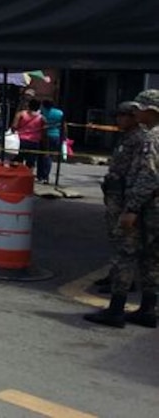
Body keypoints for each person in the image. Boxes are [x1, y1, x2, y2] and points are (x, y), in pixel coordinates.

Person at [84, 90, 159, 329]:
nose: (136, 113)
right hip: (151, 205)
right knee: (151, 257)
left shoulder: (151, 138)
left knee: (125, 252)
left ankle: (116, 309)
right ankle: (148, 309)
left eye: (139, 108)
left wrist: (132, 208)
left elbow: (149, 175)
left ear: (151, 110)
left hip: (144, 205)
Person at [92, 102, 145, 294]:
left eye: (123, 115)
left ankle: (124, 279)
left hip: (124, 195)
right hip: (114, 193)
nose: (119, 119)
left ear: (133, 117)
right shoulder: (126, 137)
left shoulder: (139, 139)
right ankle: (115, 274)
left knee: (124, 239)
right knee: (114, 236)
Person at [11, 99, 44, 174]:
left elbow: (14, 126)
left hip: (20, 141)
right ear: (38, 107)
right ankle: (28, 178)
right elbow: (44, 133)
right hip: (34, 142)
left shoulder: (21, 114)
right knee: (30, 163)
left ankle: (16, 176)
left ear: (29, 105)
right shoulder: (42, 118)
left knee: (17, 161)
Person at [38, 99, 65, 184]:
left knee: (42, 156)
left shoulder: (41, 112)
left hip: (44, 136)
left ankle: (41, 175)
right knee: (49, 156)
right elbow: (64, 126)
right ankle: (45, 175)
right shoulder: (60, 113)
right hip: (56, 136)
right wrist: (64, 137)